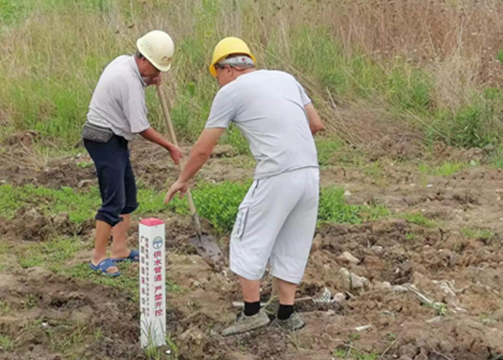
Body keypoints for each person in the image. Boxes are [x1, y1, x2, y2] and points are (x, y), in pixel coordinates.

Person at [165, 37, 325, 335]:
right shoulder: (285, 78)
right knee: (292, 241)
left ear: (226, 70)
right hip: (309, 173)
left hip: (277, 174)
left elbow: (203, 148)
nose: (220, 84)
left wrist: (183, 178)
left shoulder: (232, 91)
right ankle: (286, 313)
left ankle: (252, 312)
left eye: (218, 78)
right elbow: (315, 124)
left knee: (247, 236)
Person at [83, 30, 182, 277]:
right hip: (103, 139)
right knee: (114, 200)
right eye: (157, 69)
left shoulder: (125, 63)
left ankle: (119, 249)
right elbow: (141, 128)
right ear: (144, 60)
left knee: (127, 197)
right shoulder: (129, 81)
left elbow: (133, 93)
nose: (158, 74)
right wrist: (169, 146)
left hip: (115, 138)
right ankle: (97, 258)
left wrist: (149, 81)